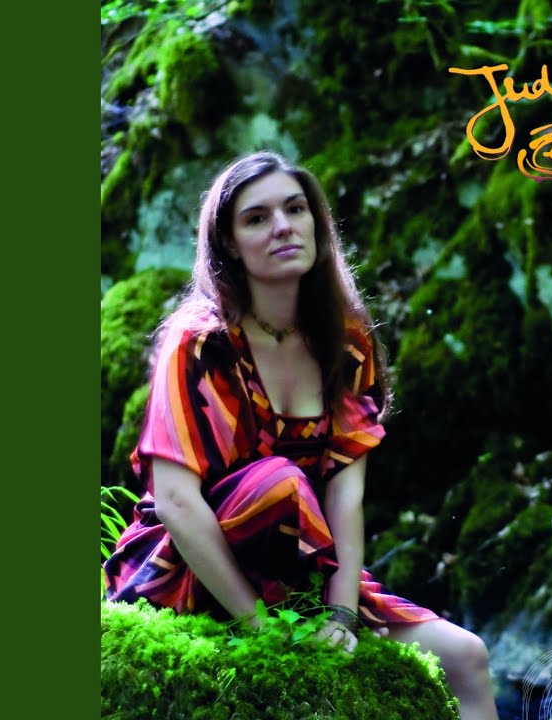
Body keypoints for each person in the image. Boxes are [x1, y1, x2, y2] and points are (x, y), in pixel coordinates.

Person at [104, 151, 498, 719]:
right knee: (281, 481)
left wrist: (341, 614)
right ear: (229, 244)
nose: (283, 226)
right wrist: (259, 627)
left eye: (295, 209)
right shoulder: (199, 343)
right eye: (257, 218)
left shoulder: (345, 339)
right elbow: (175, 500)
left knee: (468, 657)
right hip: (190, 566)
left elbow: (346, 495)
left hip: (301, 571)